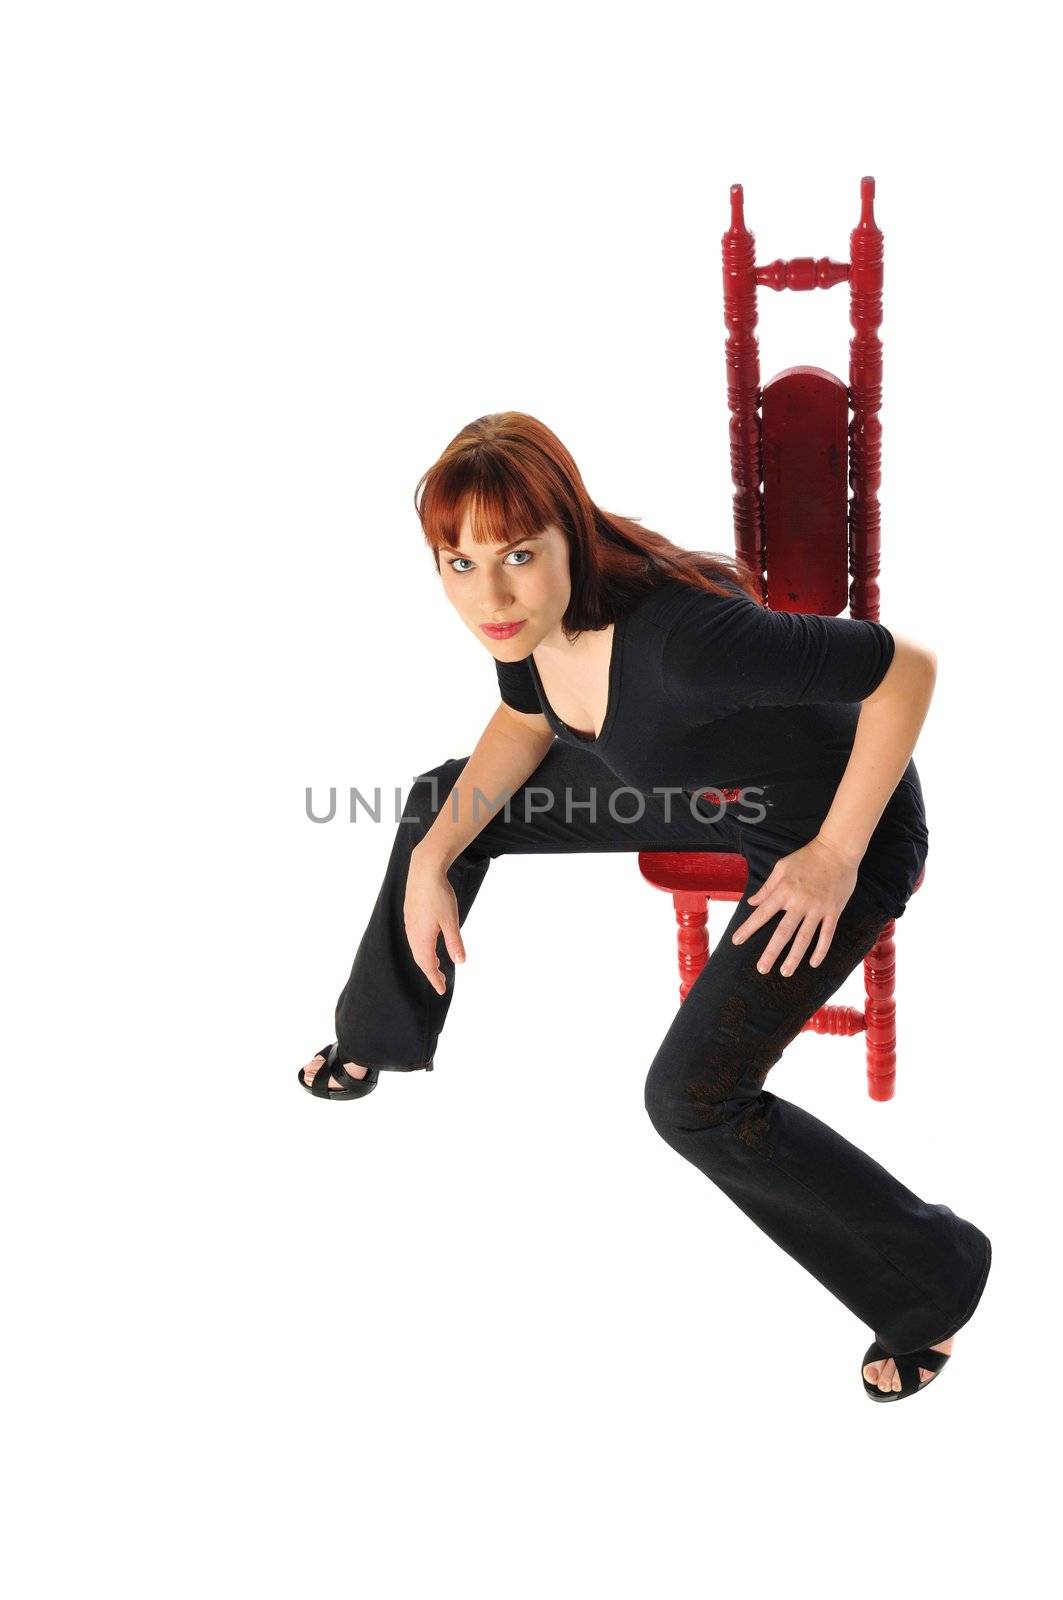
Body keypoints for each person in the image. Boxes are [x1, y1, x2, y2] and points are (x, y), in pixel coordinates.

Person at [298, 411, 991, 1402]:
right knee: (430, 811)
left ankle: (935, 1274)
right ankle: (376, 1033)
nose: (488, 596)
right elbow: (525, 714)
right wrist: (435, 855)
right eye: (459, 563)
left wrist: (836, 853)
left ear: (566, 534)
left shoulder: (685, 645)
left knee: (689, 1101)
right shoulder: (529, 619)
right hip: (699, 785)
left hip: (835, 829)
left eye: (517, 557)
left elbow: (904, 671)